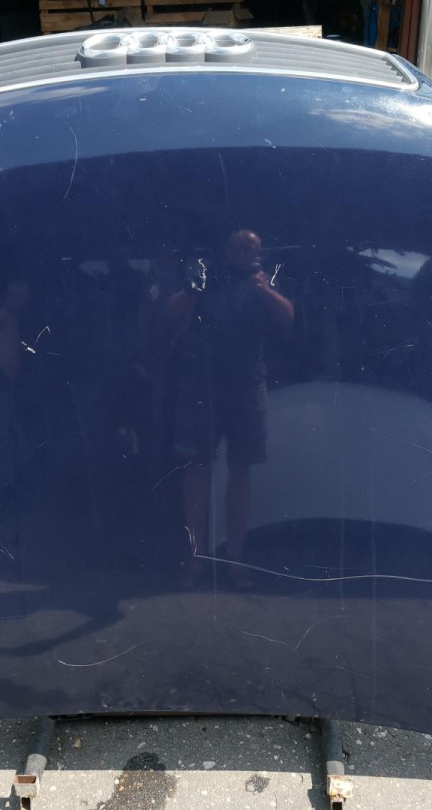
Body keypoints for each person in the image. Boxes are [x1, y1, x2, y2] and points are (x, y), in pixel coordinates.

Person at [164, 230, 294, 587]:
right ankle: (196, 558)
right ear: (224, 249)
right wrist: (193, 291)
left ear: (258, 252)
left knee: (241, 468)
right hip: (201, 384)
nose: (242, 253)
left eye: (249, 248)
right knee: (196, 468)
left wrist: (263, 290)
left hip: (245, 385)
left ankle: (235, 558)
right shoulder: (204, 273)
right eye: (236, 247)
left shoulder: (268, 276)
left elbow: (287, 315)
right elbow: (171, 311)